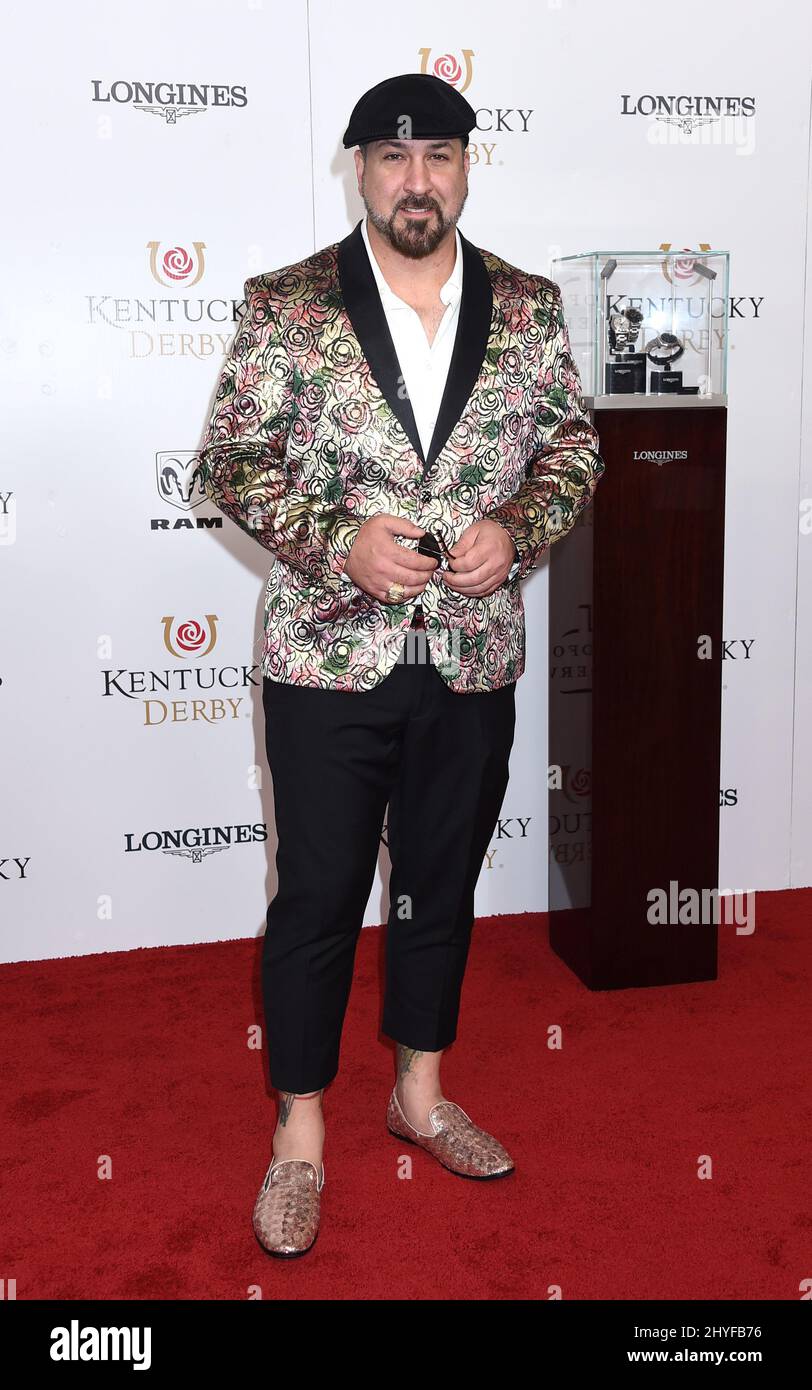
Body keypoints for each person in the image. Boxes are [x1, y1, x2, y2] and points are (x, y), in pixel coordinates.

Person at [198, 71, 605, 1258]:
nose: (414, 179)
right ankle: (300, 1136)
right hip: (326, 658)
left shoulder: (525, 307)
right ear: (357, 170)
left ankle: (418, 1092)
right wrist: (338, 542)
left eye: (436, 156)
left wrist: (516, 532)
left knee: (437, 884)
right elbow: (227, 461)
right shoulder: (288, 304)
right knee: (317, 896)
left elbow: (571, 448)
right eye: (390, 157)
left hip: (472, 657)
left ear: (468, 166)